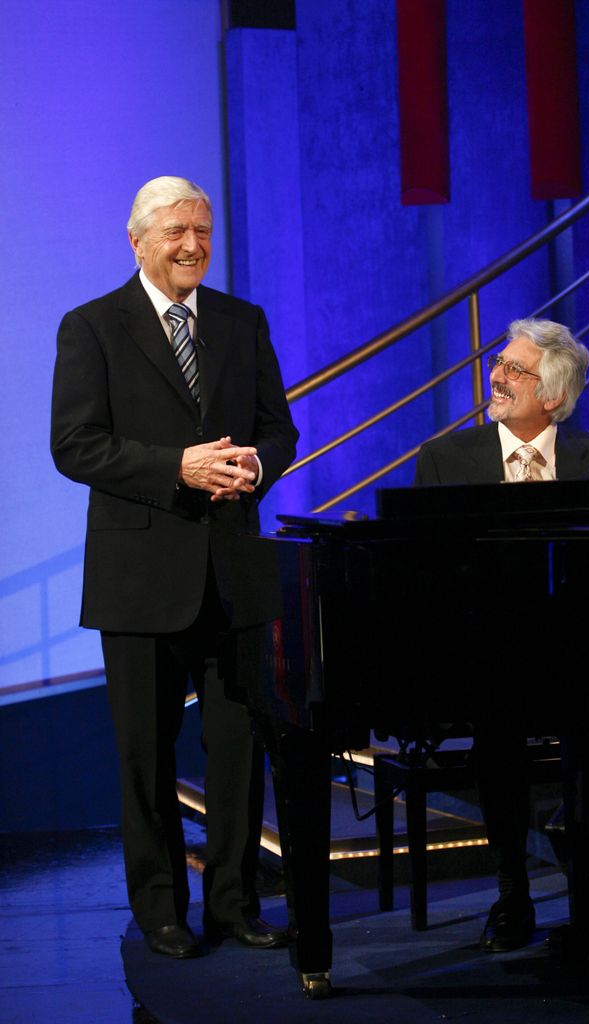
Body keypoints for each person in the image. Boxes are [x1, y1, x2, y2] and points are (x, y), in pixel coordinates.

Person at [51, 176, 299, 959]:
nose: (193, 245)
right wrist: (177, 469)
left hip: (232, 573)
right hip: (138, 576)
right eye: (175, 232)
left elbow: (277, 429)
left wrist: (253, 467)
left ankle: (234, 902)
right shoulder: (91, 327)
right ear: (137, 241)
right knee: (144, 754)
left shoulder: (240, 321)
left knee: (235, 752)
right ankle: (161, 909)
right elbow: (75, 445)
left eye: (203, 229)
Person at [415, 318, 589, 953]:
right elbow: (426, 576)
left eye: (516, 370)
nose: (498, 377)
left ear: (554, 396)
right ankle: (513, 892)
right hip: (486, 653)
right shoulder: (446, 461)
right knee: (497, 719)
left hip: (582, 656)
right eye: (499, 364)